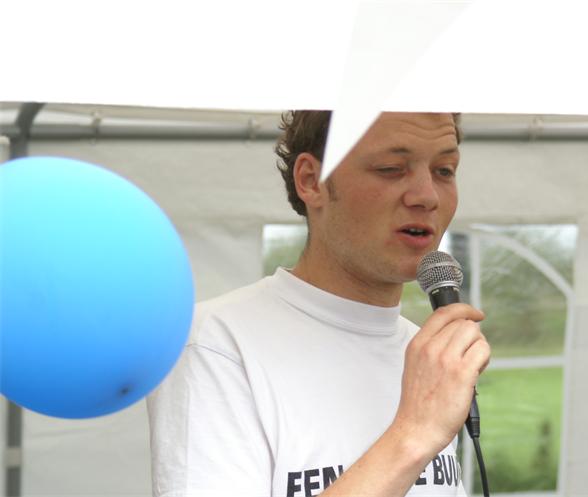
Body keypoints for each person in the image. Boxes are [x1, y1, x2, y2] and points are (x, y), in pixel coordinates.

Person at [147, 111, 491, 497]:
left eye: (444, 170)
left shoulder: (426, 355)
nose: (427, 196)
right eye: (391, 168)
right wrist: (413, 435)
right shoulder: (216, 343)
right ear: (312, 181)